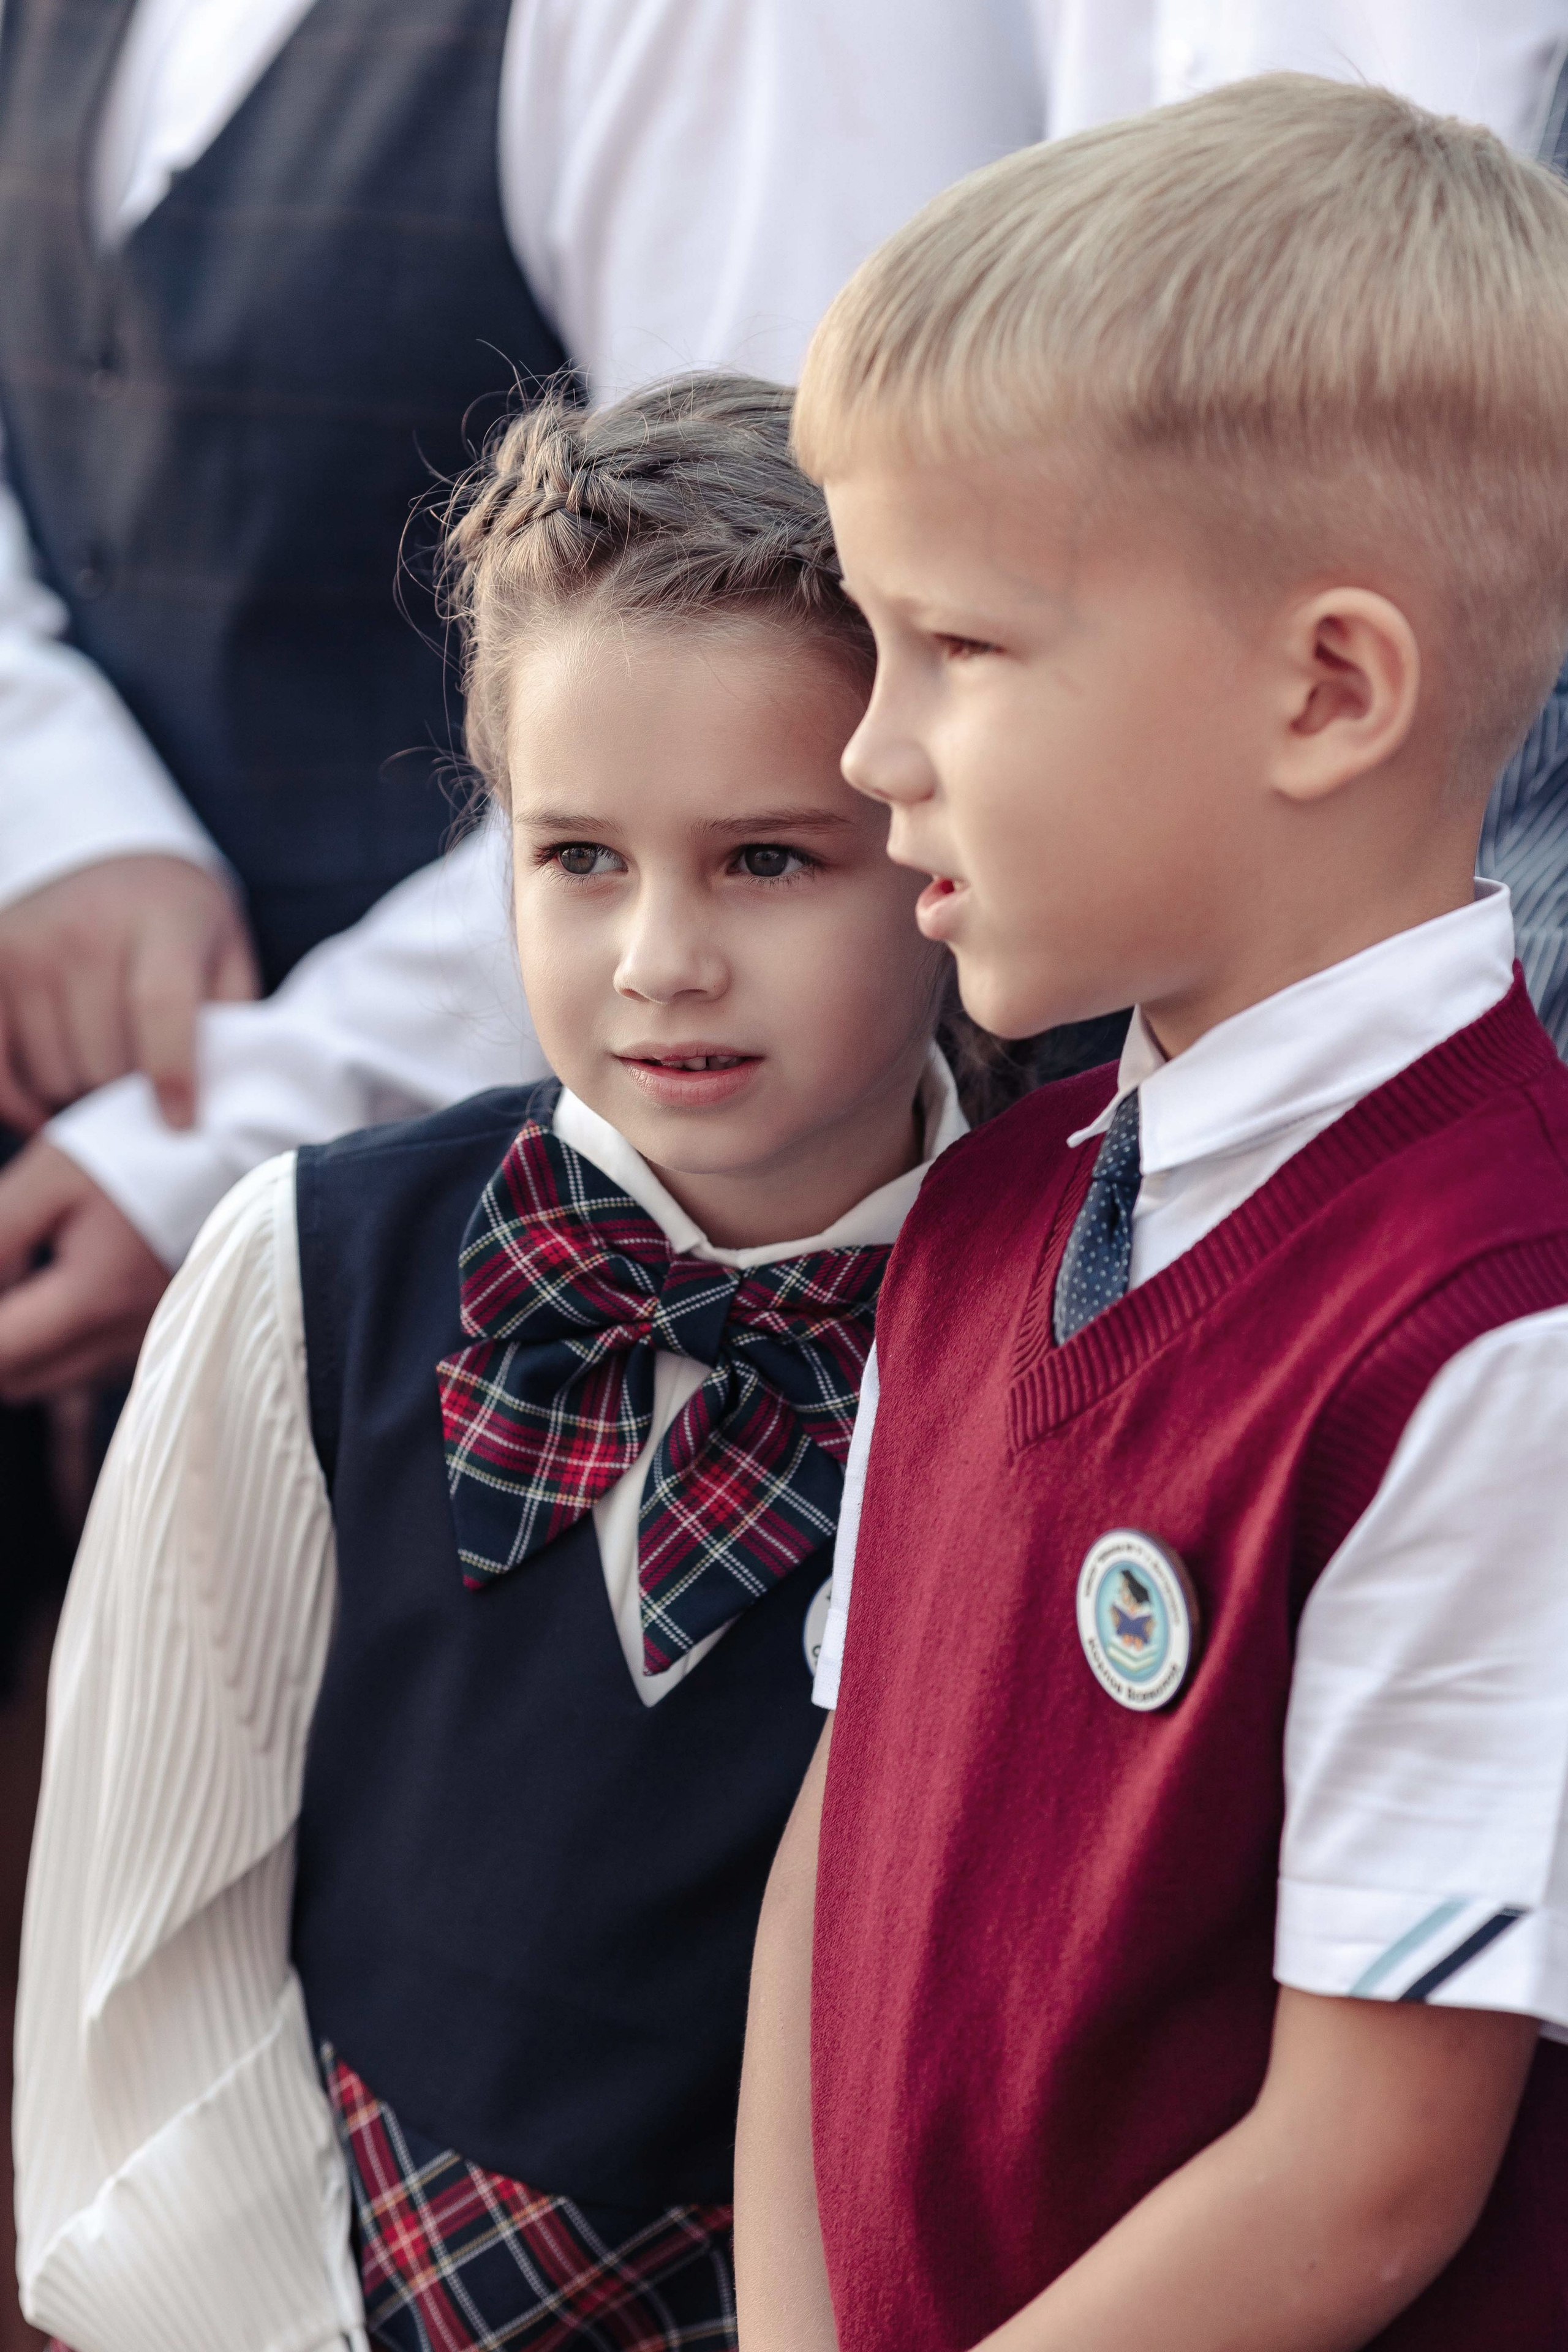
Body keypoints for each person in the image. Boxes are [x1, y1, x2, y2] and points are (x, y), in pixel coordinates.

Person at [12, 374, 1023, 2352]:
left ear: (935, 840)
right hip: (322, 2293)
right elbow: (147, 1961)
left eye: (767, 861)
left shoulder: (1061, 1327)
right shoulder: (314, 1266)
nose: (659, 956)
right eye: (578, 858)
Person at [736, 78, 1568, 2350]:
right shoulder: (990, 1202)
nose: (872, 748)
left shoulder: (1496, 1333)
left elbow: (1364, 2176)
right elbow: (845, 1832)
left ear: (1329, 687)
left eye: (962, 652)